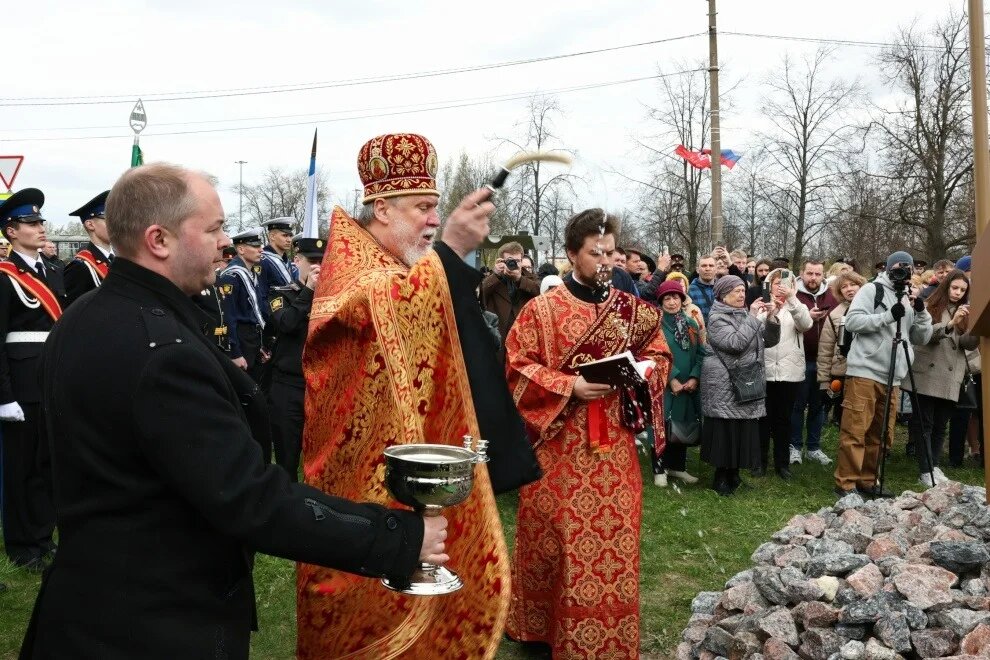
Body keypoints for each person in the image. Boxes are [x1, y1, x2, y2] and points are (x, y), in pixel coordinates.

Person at [19, 163, 445, 659]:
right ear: (159, 240)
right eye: (215, 228)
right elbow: (249, 498)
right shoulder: (165, 353)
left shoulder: (80, 319)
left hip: (83, 607)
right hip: (159, 626)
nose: (227, 242)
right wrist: (398, 537)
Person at [299, 133, 541, 658]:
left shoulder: (399, 263)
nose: (433, 219)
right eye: (423, 208)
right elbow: (382, 305)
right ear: (381, 208)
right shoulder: (354, 266)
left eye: (437, 209)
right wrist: (452, 249)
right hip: (358, 484)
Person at [504, 208, 671, 659]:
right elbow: (517, 366)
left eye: (612, 252)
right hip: (558, 450)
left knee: (611, 545)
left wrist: (643, 371)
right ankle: (539, 631)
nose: (606, 261)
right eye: (595, 253)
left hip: (613, 451)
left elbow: (659, 353)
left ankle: (606, 639)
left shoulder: (631, 312)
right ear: (570, 255)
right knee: (553, 545)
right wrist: (570, 385)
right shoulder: (542, 311)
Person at [0, 189, 65, 573]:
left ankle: (43, 538)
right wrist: (3, 395)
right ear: (11, 231)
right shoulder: (6, 277)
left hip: (50, 380)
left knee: (47, 464)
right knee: (20, 468)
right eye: (31, 223)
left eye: (41, 222)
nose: (40, 228)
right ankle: (22, 547)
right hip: (20, 386)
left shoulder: (53, 271)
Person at [834, 251, 933, 497]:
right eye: (898, 267)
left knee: (882, 433)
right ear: (888, 268)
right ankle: (846, 483)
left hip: (894, 375)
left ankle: (869, 480)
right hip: (865, 371)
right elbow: (854, 322)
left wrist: (920, 311)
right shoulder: (871, 290)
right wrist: (887, 316)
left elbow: (922, 337)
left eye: (908, 268)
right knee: (856, 429)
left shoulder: (911, 297)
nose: (903, 272)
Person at [701, 276, 780, 495]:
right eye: (735, 291)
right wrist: (754, 317)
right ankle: (720, 477)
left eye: (742, 291)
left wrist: (772, 317)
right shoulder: (716, 318)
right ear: (722, 295)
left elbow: (769, 342)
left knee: (742, 430)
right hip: (724, 384)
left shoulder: (745, 315)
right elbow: (735, 344)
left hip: (745, 380)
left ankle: (734, 474)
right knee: (725, 430)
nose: (741, 295)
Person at [902, 270, 978, 487]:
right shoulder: (929, 306)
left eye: (963, 290)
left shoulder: (966, 310)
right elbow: (926, 335)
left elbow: (967, 344)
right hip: (927, 371)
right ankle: (925, 470)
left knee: (940, 425)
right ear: (946, 286)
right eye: (955, 288)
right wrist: (952, 322)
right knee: (924, 423)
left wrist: (976, 328)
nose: (958, 293)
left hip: (951, 374)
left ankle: (933, 465)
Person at [266, 235, 324, 481]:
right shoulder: (280, 294)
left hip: (319, 385)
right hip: (289, 386)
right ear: (297, 260)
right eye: (311, 260)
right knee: (287, 458)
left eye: (321, 261)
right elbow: (286, 324)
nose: (317, 266)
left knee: (321, 459)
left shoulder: (329, 296)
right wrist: (309, 290)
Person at [759, 269, 813, 479]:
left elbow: (806, 324)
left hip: (789, 373)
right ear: (769, 286)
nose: (780, 287)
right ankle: (760, 462)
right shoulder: (762, 305)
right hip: (764, 370)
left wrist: (791, 300)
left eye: (785, 284)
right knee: (762, 420)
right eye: (776, 284)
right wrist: (768, 311)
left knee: (783, 420)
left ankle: (782, 465)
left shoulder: (797, 306)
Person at [653, 279, 703, 487]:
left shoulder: (691, 323)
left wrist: (694, 376)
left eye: (675, 297)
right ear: (661, 301)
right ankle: (660, 468)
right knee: (662, 424)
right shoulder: (655, 324)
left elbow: (700, 353)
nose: (672, 302)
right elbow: (653, 354)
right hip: (665, 383)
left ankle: (678, 467)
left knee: (682, 422)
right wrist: (670, 378)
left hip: (687, 384)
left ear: (682, 299)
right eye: (667, 298)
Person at [791, 260, 838, 466]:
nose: (813, 278)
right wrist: (806, 317)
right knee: (797, 405)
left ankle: (813, 447)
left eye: (817, 274)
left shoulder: (832, 295)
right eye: (809, 273)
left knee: (819, 406)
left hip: (824, 360)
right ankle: (794, 446)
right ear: (802, 273)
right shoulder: (794, 293)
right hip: (800, 358)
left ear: (823, 275)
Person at [816, 271, 866, 428]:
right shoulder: (835, 314)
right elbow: (825, 349)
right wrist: (824, 381)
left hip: (866, 371)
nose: (849, 289)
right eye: (844, 287)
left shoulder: (873, 309)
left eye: (853, 285)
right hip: (841, 371)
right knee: (842, 412)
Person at [218, 229, 267, 381]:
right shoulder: (231, 276)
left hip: (253, 340)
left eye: (260, 245)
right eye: (255, 246)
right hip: (240, 339)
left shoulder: (251, 273)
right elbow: (227, 317)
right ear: (241, 249)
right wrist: (235, 353)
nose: (261, 249)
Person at [479, 241, 540, 349]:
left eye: (517, 261)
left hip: (524, 334)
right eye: (510, 261)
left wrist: (519, 279)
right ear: (502, 261)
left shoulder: (532, 279)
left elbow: (539, 293)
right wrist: (496, 274)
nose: (514, 264)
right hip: (500, 334)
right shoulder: (493, 280)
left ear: (522, 260)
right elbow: (481, 294)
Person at [62, 191, 114, 305]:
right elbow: (72, 314)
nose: (116, 224)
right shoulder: (80, 267)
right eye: (109, 219)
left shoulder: (117, 260)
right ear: (90, 225)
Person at [666, 271, 707, 344]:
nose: (678, 290)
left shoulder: (694, 309)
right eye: (675, 286)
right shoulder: (663, 310)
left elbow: (702, 333)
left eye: (681, 286)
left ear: (686, 288)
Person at [689, 255, 718, 321]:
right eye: (704, 266)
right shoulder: (689, 290)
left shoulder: (722, 289)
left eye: (711, 266)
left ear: (716, 269)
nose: (707, 269)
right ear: (697, 270)